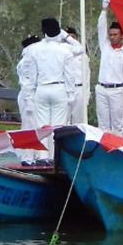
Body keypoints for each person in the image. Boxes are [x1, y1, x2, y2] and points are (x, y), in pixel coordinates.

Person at [28, 18, 76, 161]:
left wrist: (30, 94)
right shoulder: (65, 49)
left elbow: (32, 75)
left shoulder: (35, 49)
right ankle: (57, 157)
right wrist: (71, 94)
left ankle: (42, 156)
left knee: (42, 126)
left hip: (41, 88)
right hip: (59, 87)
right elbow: (70, 74)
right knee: (58, 127)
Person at [96, 0, 123, 135]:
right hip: (102, 88)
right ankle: (103, 151)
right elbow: (101, 27)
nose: (112, 37)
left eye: (115, 34)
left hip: (117, 90)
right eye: (110, 34)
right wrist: (104, 9)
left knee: (117, 124)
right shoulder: (105, 47)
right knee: (103, 124)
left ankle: (118, 149)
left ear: (121, 35)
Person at [16, 34, 41, 164]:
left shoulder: (32, 59)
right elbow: (27, 83)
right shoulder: (26, 61)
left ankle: (36, 154)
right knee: (29, 126)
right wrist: (29, 100)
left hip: (34, 94)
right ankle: (27, 156)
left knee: (36, 125)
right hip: (28, 96)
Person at [64, 26, 90, 125]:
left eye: (73, 37)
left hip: (79, 89)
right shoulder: (62, 54)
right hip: (65, 90)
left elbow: (87, 76)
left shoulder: (83, 56)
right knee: (64, 121)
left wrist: (86, 96)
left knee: (78, 122)